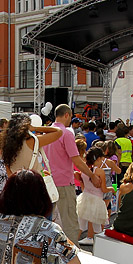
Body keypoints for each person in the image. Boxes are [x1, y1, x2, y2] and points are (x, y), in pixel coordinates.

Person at [45, 105, 98, 246]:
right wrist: (91, 175)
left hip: (48, 181)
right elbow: (76, 159)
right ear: (67, 115)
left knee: (47, 220)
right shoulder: (66, 133)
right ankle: (73, 253)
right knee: (69, 220)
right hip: (63, 183)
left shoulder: (47, 133)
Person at [76, 148, 110, 246]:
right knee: (98, 226)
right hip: (96, 200)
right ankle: (99, 247)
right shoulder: (100, 171)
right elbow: (103, 189)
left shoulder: (84, 170)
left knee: (80, 225)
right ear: (98, 159)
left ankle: (72, 245)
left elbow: (83, 184)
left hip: (85, 197)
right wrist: (111, 189)